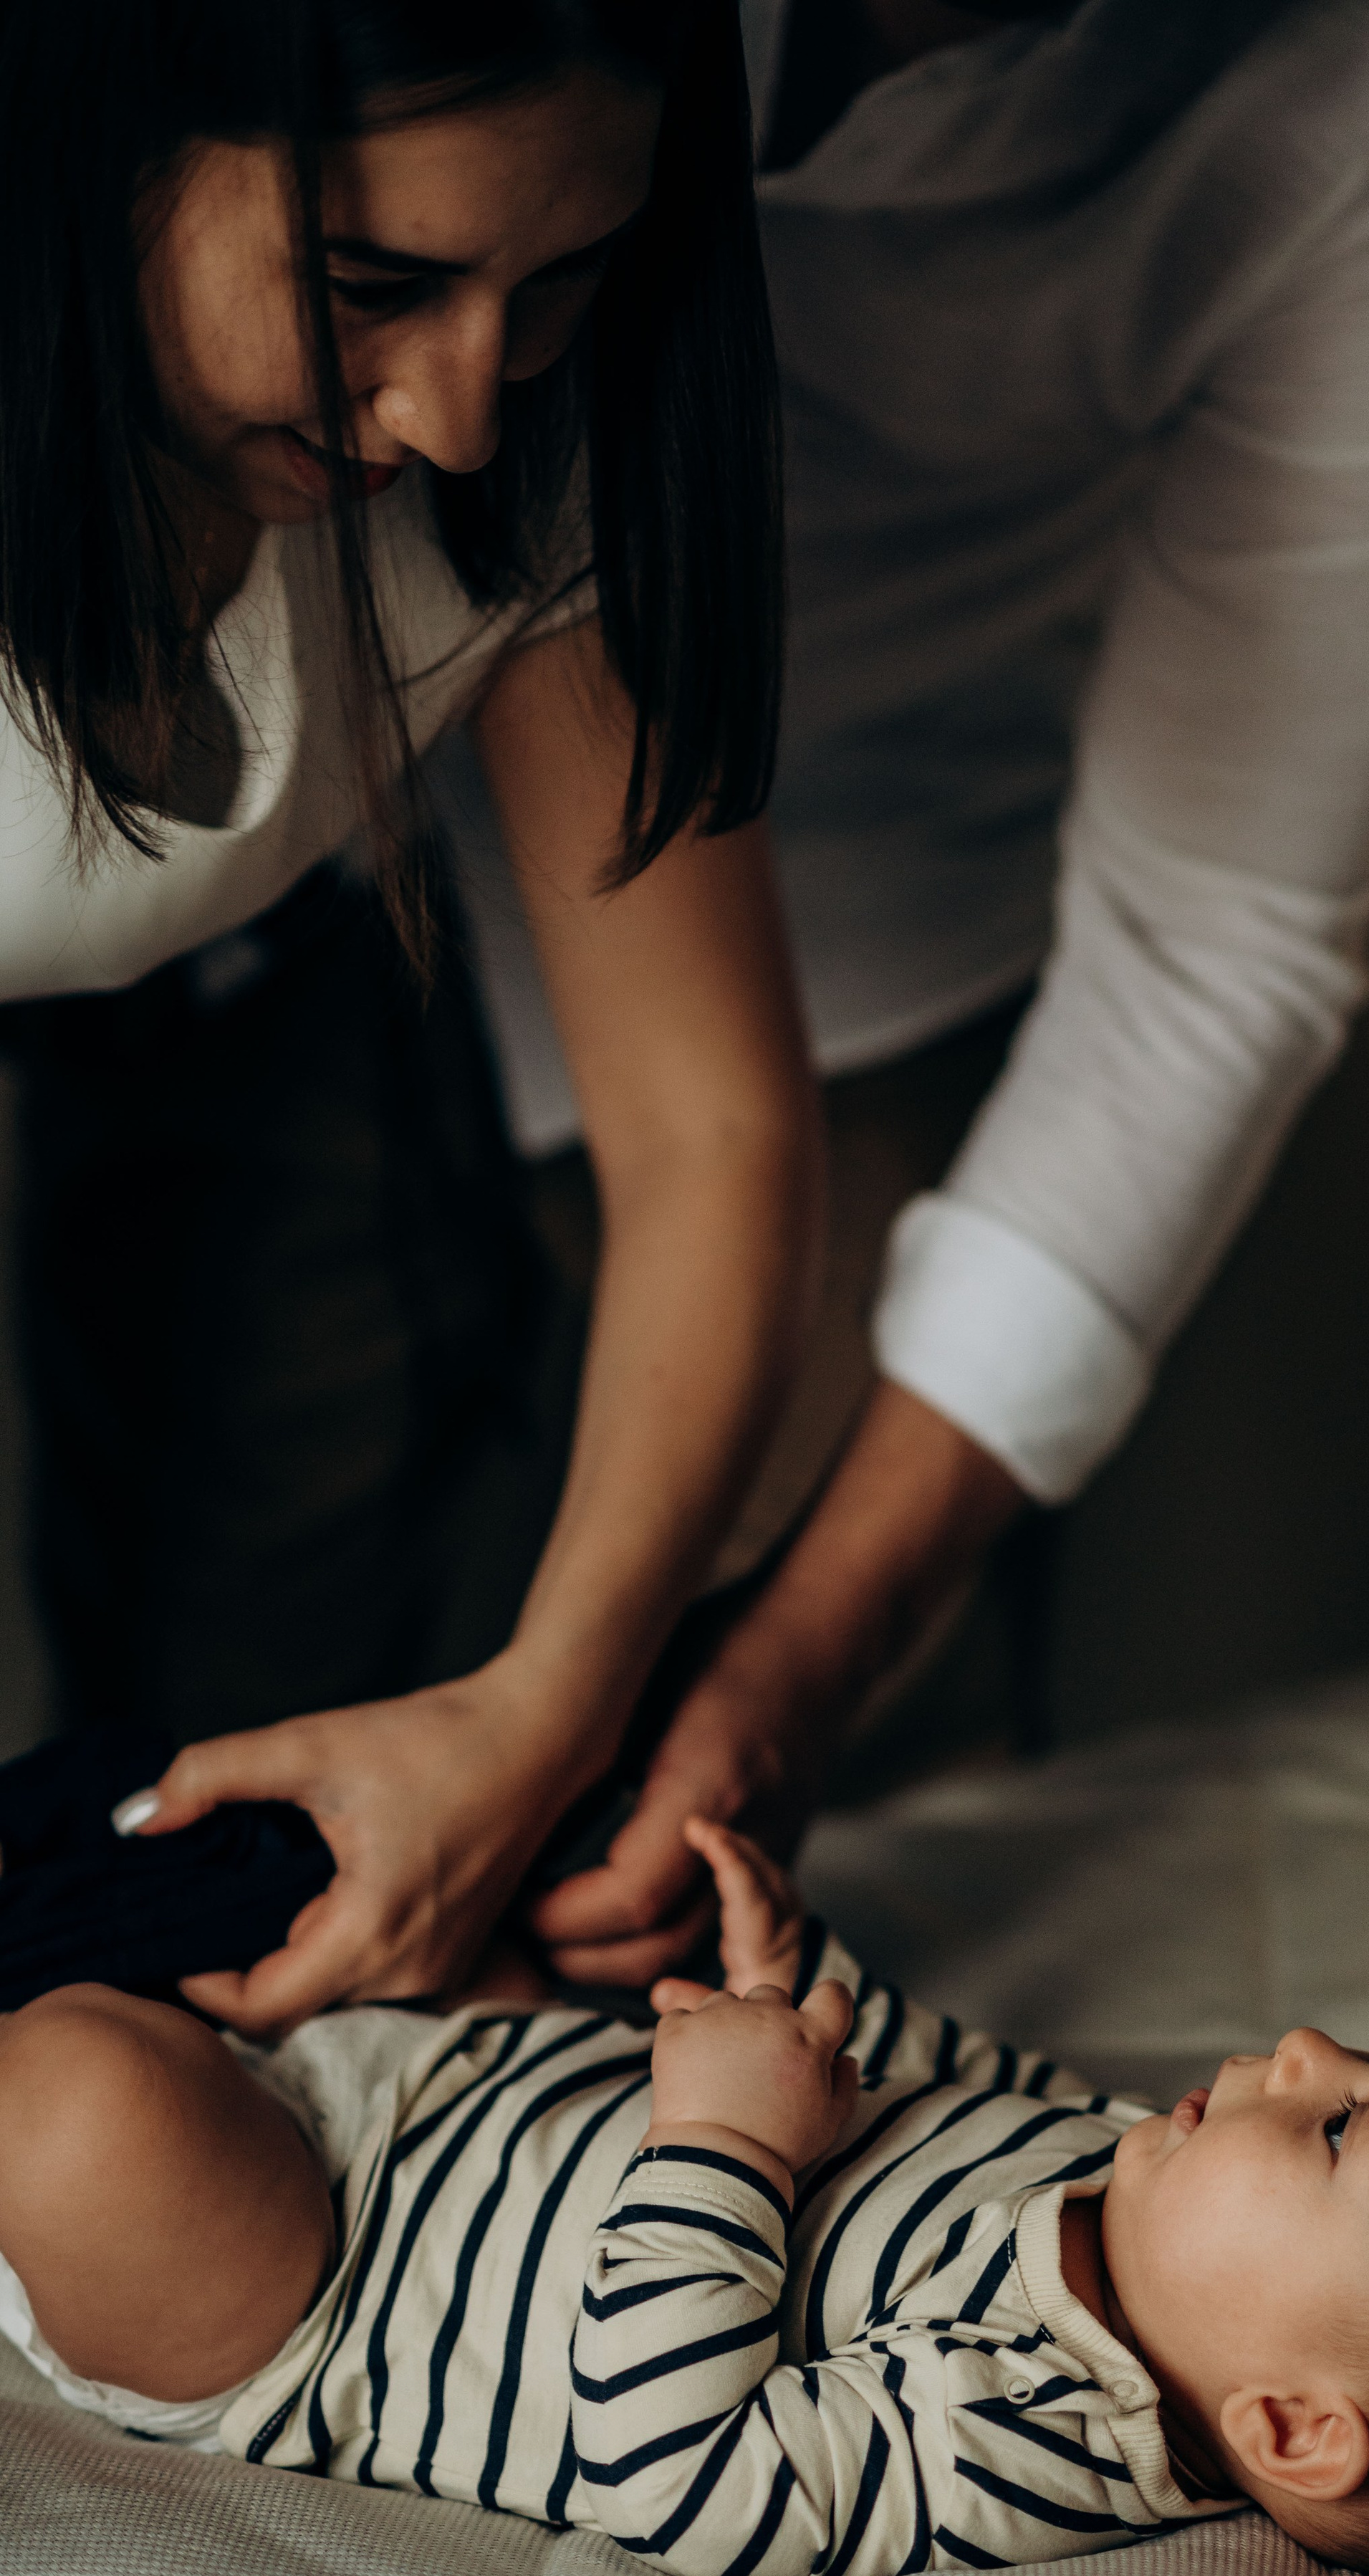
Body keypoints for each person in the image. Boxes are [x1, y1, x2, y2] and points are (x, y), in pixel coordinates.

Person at [466, 0, 1369, 1990]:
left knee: (754, 1872)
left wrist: (806, 1652)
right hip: (288, 920)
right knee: (218, 1734)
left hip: (862, 923)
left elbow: (1226, 943)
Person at [0, 4, 821, 2031]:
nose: (460, 408)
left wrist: (542, 1717)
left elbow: (711, 1129)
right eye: (375, 286)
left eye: (559, 283)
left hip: (287, 1010)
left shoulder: (519, 454)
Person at [0, 1822, 1369, 2576]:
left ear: (1297, 2427)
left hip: (328, 2294)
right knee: (488, 1883)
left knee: (83, 2097)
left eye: (1342, 2126)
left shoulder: (1026, 2436)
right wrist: (809, 1980)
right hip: (461, 2086)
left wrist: (731, 2148)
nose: (1304, 2042)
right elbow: (958, 2087)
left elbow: (676, 2477)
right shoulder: (1140, 2183)